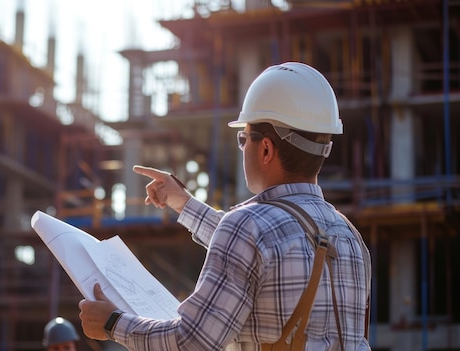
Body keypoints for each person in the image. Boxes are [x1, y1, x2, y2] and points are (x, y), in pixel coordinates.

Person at [78, 62, 371, 350]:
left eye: (243, 138)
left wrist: (112, 323)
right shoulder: (349, 237)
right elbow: (267, 247)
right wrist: (184, 203)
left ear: (266, 149)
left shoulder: (248, 228)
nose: (242, 147)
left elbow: (191, 342)